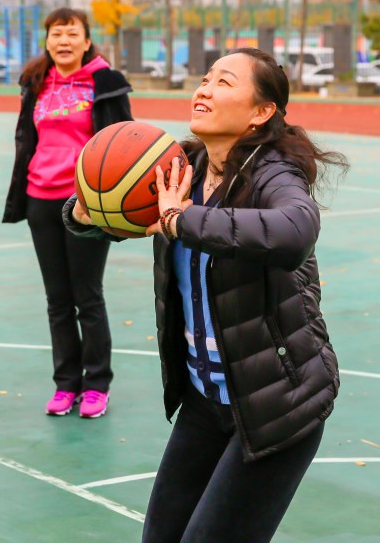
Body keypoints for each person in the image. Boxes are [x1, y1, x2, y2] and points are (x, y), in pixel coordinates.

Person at [65, 47, 347, 541]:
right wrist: (84, 213)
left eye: (224, 82)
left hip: (276, 404)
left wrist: (182, 219)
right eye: (205, 78)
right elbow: (125, 214)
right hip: (205, 399)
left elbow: (294, 232)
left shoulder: (273, 172)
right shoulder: (180, 166)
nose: (204, 89)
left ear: (262, 112)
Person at [3, 7, 133, 419]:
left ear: (86, 41)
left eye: (72, 33)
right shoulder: (36, 82)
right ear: (47, 41)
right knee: (57, 299)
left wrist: (109, 200)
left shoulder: (106, 83)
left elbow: (124, 141)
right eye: (56, 33)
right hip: (40, 199)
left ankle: (96, 385)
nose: (64, 41)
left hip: (85, 205)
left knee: (87, 296)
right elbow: (27, 137)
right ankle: (65, 384)